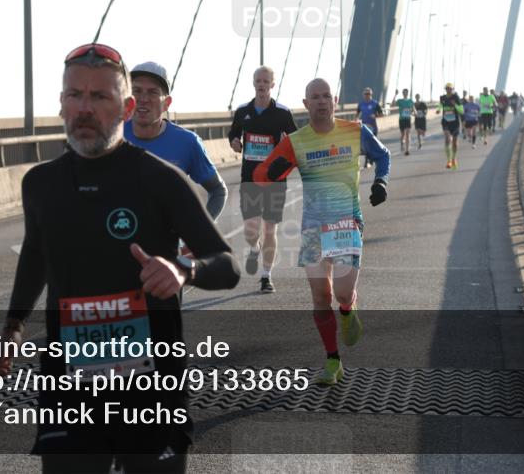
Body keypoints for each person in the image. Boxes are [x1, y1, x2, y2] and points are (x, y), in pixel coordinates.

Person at [0, 43, 240, 473]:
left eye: (99, 96)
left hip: (152, 385)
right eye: (75, 95)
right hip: (69, 385)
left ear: (124, 107)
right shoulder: (41, 184)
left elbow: (227, 266)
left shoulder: (161, 180)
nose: (85, 108)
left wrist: (184, 270)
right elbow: (35, 256)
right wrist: (12, 327)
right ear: (62, 105)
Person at [254, 78, 390, 386]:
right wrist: (273, 173)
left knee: (340, 293)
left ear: (335, 100)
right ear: (305, 104)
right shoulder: (295, 141)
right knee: (320, 296)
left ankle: (348, 306)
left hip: (345, 223)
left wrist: (381, 182)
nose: (321, 101)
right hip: (313, 227)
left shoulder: (355, 131)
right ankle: (332, 360)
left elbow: (383, 156)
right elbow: (262, 174)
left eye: (326, 95)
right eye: (314, 97)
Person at [123, 62, 227, 220]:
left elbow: (218, 191)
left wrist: (200, 232)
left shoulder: (187, 142)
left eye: (153, 93)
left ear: (167, 103)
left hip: (168, 244)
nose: (143, 99)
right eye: (136, 91)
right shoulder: (110, 137)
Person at [228, 66, 298, 293]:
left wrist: (285, 159)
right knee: (251, 230)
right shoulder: (242, 111)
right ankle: (254, 248)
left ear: (272, 84)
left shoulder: (282, 113)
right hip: (249, 178)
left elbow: (294, 141)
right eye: (258, 80)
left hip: (274, 181)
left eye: (266, 81)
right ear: (253, 83)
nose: (261, 84)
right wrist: (235, 143)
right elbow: (233, 133)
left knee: (270, 229)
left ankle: (266, 276)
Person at [436, 82, 464, 169]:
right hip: (446, 122)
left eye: (450, 89)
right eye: (447, 88)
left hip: (455, 123)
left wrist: (455, 105)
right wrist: (439, 110)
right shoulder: (443, 98)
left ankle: (453, 158)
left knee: (454, 143)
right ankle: (449, 161)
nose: (448, 90)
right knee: (448, 140)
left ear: (452, 89)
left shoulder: (456, 97)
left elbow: (461, 111)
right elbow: (440, 105)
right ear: (445, 89)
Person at [356, 87, 384, 168]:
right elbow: (357, 114)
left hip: (373, 127)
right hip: (364, 127)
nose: (367, 95)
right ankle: (367, 160)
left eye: (368, 94)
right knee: (365, 144)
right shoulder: (361, 104)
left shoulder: (375, 103)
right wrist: (356, 120)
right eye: (365, 94)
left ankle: (370, 160)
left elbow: (381, 114)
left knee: (371, 144)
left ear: (371, 94)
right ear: (363, 95)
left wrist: (375, 115)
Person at [391, 88, 415, 156]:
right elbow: (392, 105)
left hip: (408, 119)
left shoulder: (410, 101)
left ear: (408, 93)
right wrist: (395, 95)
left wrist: (414, 113)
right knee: (403, 135)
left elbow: (413, 109)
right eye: (404, 92)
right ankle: (402, 143)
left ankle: (407, 150)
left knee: (407, 134)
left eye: (406, 92)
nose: (405, 94)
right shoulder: (400, 101)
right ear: (402, 93)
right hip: (401, 120)